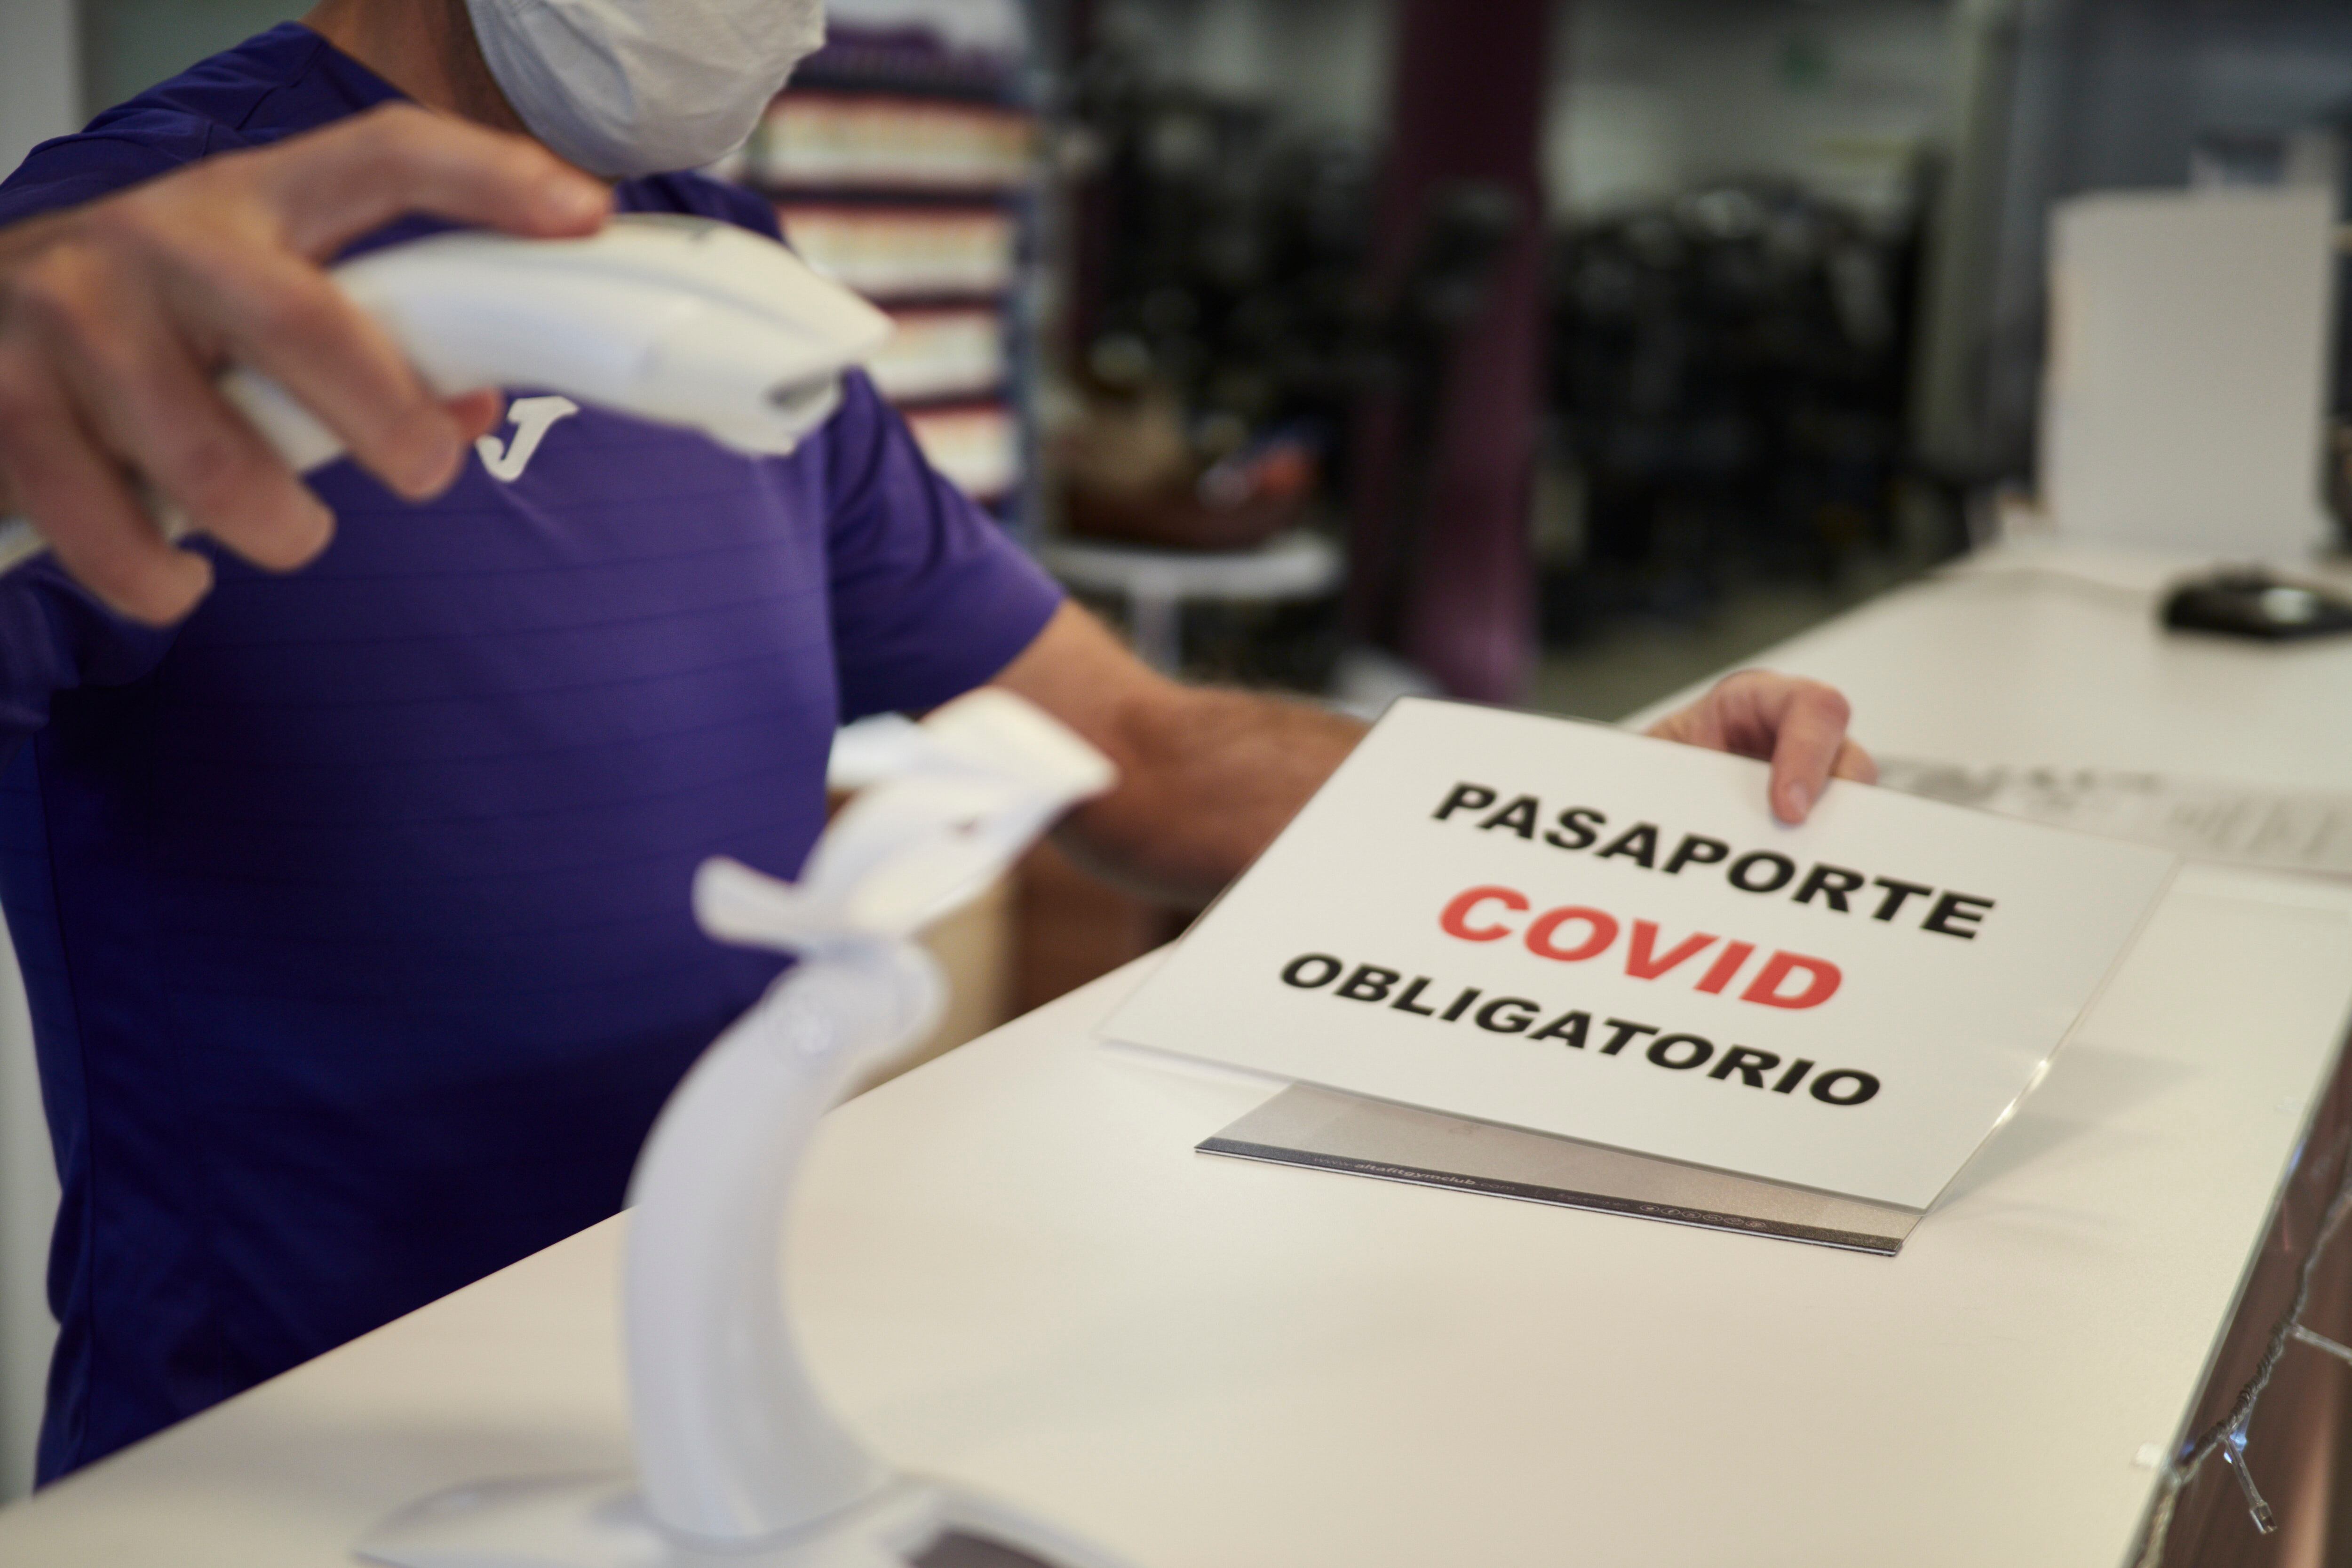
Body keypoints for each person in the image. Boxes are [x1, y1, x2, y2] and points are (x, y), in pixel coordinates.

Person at [0, 0, 1875, 1481]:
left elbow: (1136, 755)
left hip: (697, 1418)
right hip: (277, 1467)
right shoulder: (117, 283)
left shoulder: (716, 277)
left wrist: (1588, 809)